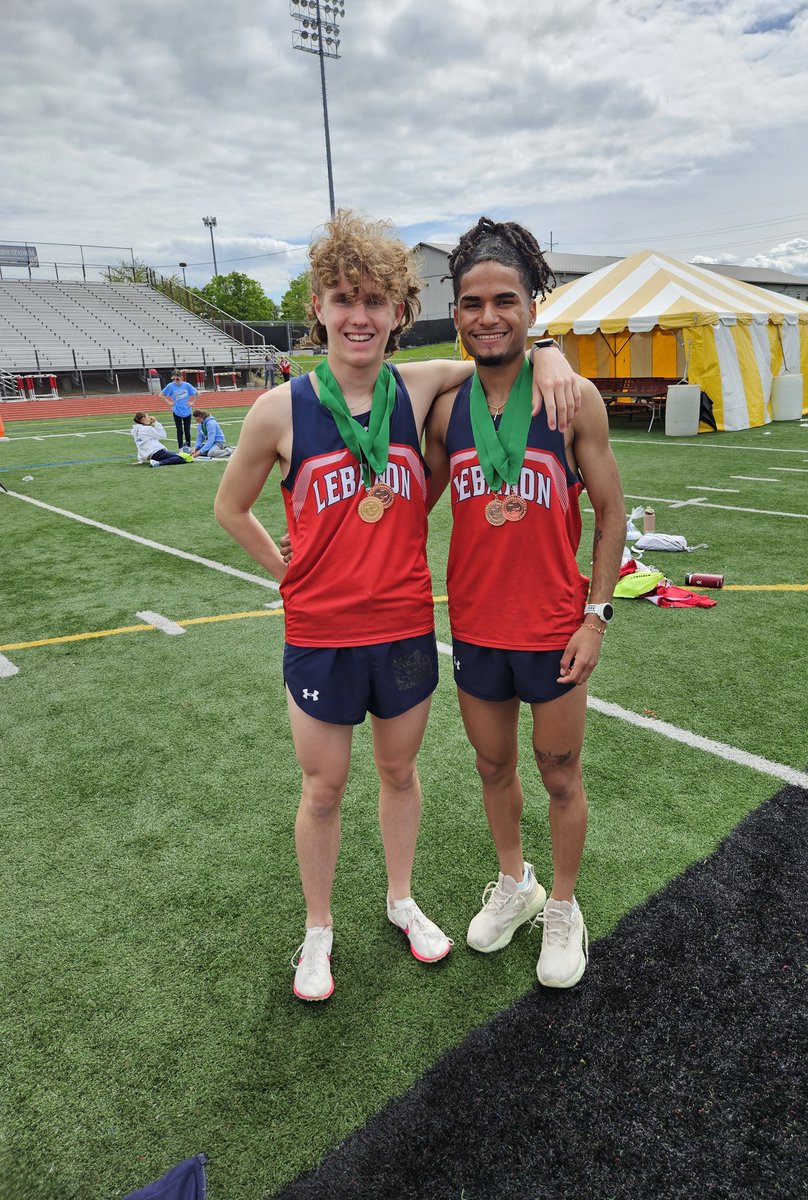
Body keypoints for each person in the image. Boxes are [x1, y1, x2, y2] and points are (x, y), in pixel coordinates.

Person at [214, 209, 579, 1002]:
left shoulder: (419, 385)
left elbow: (500, 359)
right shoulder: (280, 409)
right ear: (318, 305)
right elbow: (230, 507)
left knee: (400, 772)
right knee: (322, 789)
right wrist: (286, 567)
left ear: (399, 314)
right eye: (343, 298)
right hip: (321, 634)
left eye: (376, 300)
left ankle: (401, 900)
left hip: (408, 626)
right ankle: (318, 932)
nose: (359, 315)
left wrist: (549, 352)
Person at [424, 217, 627, 990]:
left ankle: (564, 907)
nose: (487, 316)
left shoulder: (572, 402)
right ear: (458, 310)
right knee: (492, 765)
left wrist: (596, 614)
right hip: (477, 628)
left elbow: (611, 515)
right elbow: (415, 504)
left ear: (532, 304)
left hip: (553, 630)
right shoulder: (446, 409)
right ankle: (518, 884)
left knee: (561, 772)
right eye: (472, 302)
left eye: (505, 299)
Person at [161, 370, 198, 449]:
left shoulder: (187, 385)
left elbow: (197, 394)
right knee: (179, 431)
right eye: (173, 379)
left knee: (187, 431)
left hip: (187, 411)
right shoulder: (170, 386)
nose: (175, 381)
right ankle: (180, 447)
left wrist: (192, 402)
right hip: (177, 411)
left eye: (177, 379)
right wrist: (169, 402)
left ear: (181, 378)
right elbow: (161, 395)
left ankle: (188, 446)